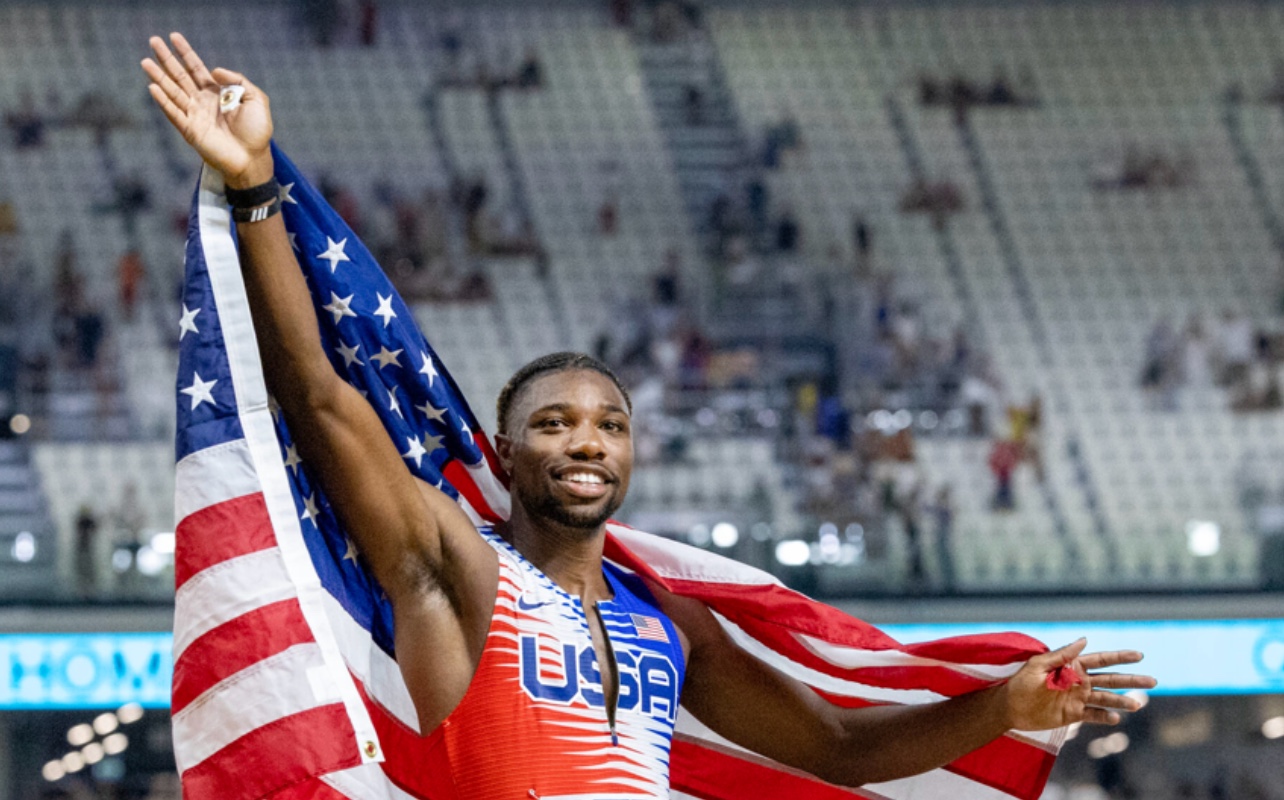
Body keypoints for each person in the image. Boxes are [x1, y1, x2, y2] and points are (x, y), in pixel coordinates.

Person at [143, 32, 1154, 798]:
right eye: (554, 422)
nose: (585, 438)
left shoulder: (668, 622)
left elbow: (842, 750)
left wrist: (1002, 705)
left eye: (608, 424)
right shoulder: (453, 563)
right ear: (503, 450)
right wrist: (255, 185)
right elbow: (319, 394)